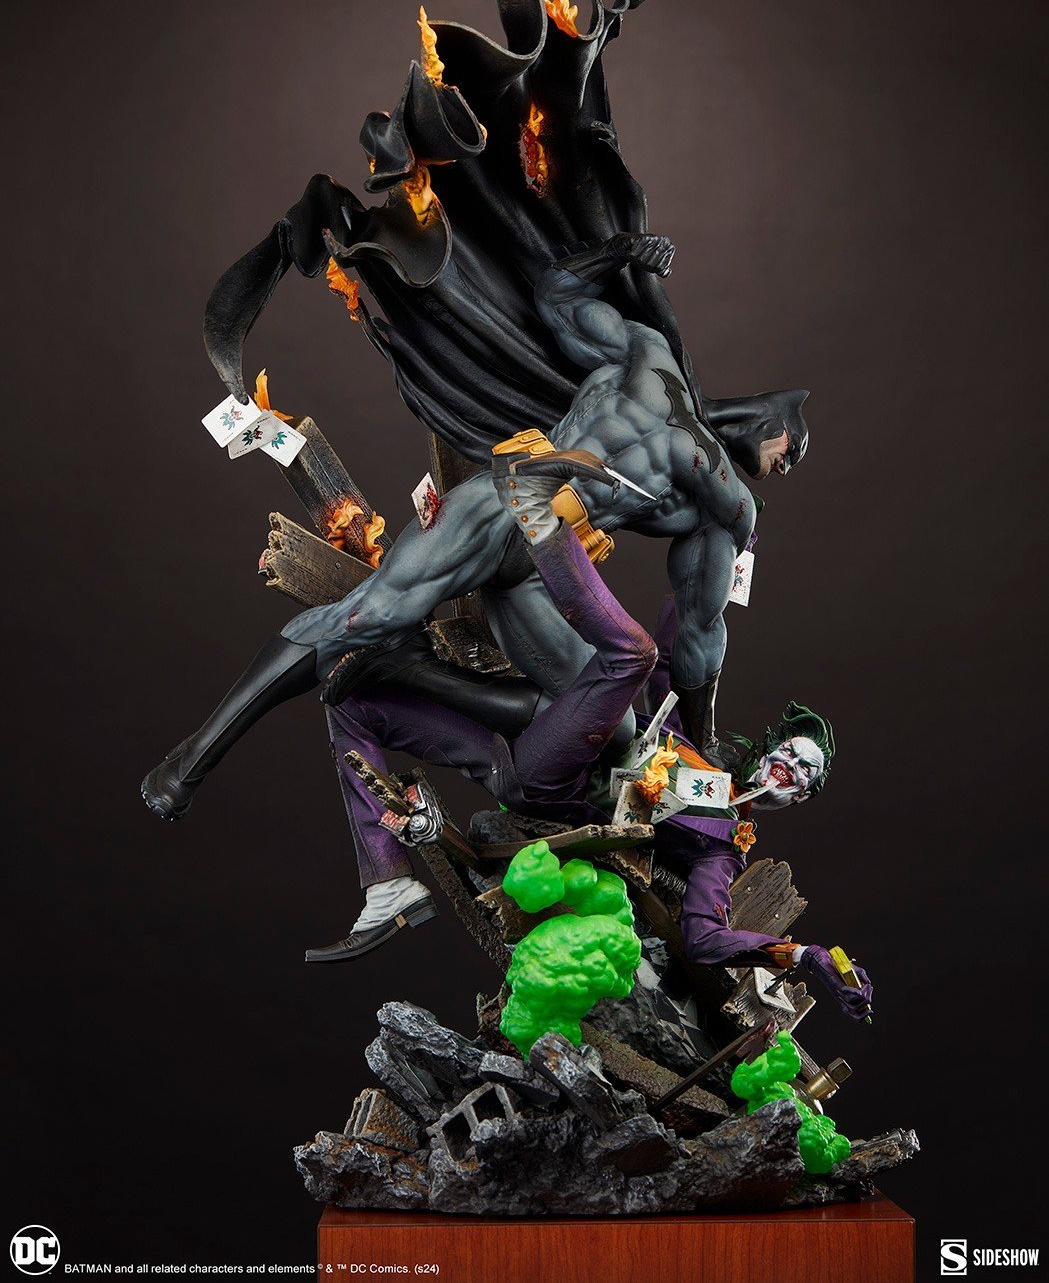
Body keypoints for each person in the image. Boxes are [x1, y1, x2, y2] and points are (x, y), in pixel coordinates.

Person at [141, 232, 810, 823]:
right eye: (791, 451)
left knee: (612, 723)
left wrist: (702, 741)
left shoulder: (721, 494)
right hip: (504, 505)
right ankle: (190, 760)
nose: (785, 467)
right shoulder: (650, 360)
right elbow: (557, 294)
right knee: (362, 617)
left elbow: (700, 627)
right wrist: (620, 253)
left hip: (543, 572)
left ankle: (414, 673)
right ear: (773, 418)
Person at [307, 451, 871, 1024]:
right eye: (791, 753)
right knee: (351, 706)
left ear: (800, 797)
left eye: (804, 774)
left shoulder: (723, 847)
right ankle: (388, 886)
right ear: (771, 748)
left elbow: (704, 938)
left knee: (629, 658)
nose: (790, 767)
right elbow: (681, 638)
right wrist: (734, 548)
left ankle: (531, 521)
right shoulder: (698, 751)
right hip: (512, 750)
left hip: (553, 782)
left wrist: (802, 955)